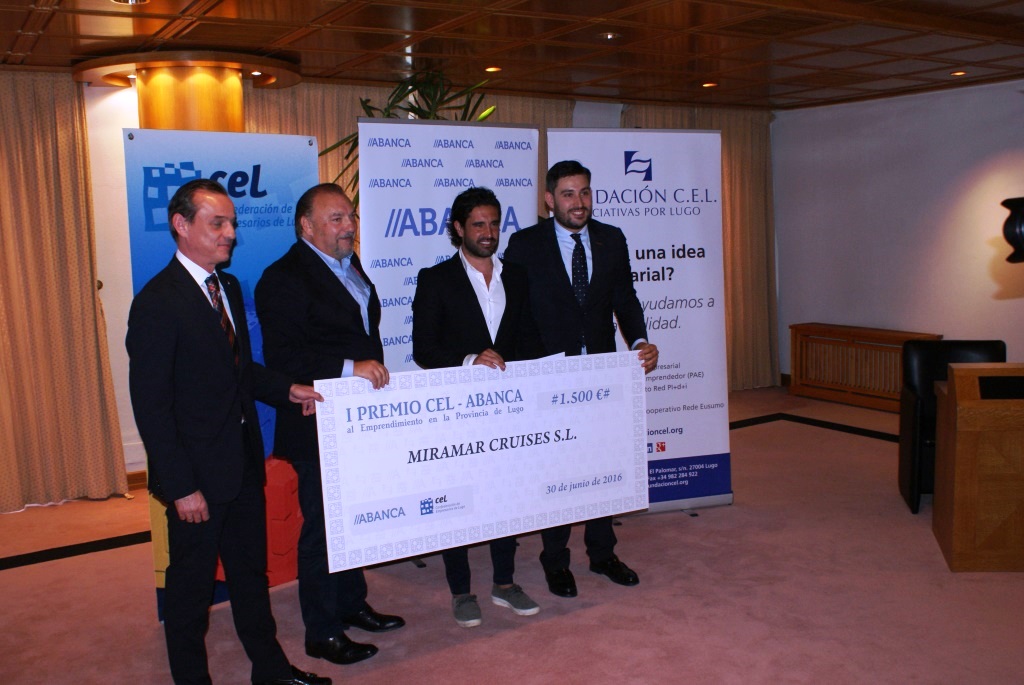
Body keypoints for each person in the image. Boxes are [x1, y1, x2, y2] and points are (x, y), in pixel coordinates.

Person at [126, 179, 329, 685]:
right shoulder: (157, 302)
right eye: (217, 223)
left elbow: (239, 372)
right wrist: (181, 487)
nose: (231, 233)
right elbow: (152, 407)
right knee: (190, 592)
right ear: (181, 225)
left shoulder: (229, 287)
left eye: (232, 223)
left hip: (241, 466)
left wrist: (287, 389)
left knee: (250, 577)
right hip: (195, 480)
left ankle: (271, 671)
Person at [255, 183, 405, 667]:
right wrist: (349, 368)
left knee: (353, 518)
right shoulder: (282, 277)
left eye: (351, 217)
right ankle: (321, 631)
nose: (348, 226)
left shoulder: (349, 264)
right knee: (323, 527)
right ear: (307, 226)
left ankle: (351, 603)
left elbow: (360, 331)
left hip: (358, 418)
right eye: (336, 218)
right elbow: (283, 357)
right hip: (315, 418)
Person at [503, 160, 659, 599]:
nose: (579, 202)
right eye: (568, 194)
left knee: (603, 465)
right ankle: (555, 560)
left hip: (603, 372)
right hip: (550, 375)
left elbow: (625, 297)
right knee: (558, 470)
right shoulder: (525, 244)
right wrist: (525, 370)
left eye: (585, 192)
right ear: (549, 200)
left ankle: (603, 553)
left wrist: (639, 340)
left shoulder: (612, 238)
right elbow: (514, 311)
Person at [412, 186, 545, 627]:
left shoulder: (519, 276)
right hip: (458, 409)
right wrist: (470, 359)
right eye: (478, 224)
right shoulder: (436, 279)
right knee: (459, 499)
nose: (488, 232)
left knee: (506, 494)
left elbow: (528, 337)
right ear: (458, 228)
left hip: (509, 406)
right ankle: (461, 591)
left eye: (494, 223)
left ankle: (505, 583)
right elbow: (423, 348)